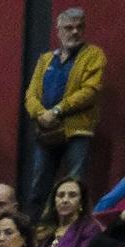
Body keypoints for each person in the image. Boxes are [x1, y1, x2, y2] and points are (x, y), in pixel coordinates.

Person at [23, 9, 105, 216]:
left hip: (77, 131)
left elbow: (90, 91)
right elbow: (31, 95)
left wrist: (58, 110)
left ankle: (74, 233)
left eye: (79, 27)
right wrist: (41, 113)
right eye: (69, 28)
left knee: (74, 186)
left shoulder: (93, 55)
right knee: (38, 185)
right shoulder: (45, 60)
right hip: (47, 131)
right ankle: (32, 231)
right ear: (58, 31)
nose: (75, 32)